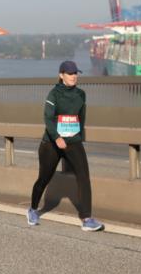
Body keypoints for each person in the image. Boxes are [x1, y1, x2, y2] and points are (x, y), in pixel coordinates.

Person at [28, 60, 104, 232]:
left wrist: (79, 137)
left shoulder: (81, 94)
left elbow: (81, 117)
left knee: (84, 177)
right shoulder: (54, 94)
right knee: (44, 178)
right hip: (52, 143)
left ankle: (87, 218)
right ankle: (33, 209)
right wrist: (56, 137)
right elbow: (48, 118)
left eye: (76, 73)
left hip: (73, 142)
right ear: (61, 75)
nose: (74, 76)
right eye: (70, 73)